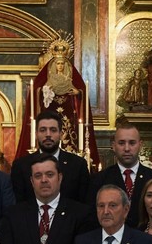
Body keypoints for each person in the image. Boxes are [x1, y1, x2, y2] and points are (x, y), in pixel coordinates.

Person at [14, 36, 99, 166]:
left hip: (70, 124)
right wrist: (44, 92)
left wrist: (78, 93)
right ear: (54, 65)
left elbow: (82, 95)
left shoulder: (72, 81)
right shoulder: (47, 81)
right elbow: (36, 93)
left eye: (62, 64)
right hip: (48, 121)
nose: (60, 66)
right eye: (58, 63)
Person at [88, 122, 152, 228]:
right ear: (113, 146)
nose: (127, 148)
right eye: (121, 143)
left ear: (140, 145)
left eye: (132, 143)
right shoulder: (98, 180)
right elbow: (92, 218)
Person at [11, 110, 90, 205]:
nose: (48, 135)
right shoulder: (21, 166)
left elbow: (83, 204)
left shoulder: (78, 165)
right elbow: (18, 206)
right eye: (43, 130)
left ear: (61, 134)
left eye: (53, 130)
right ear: (36, 134)